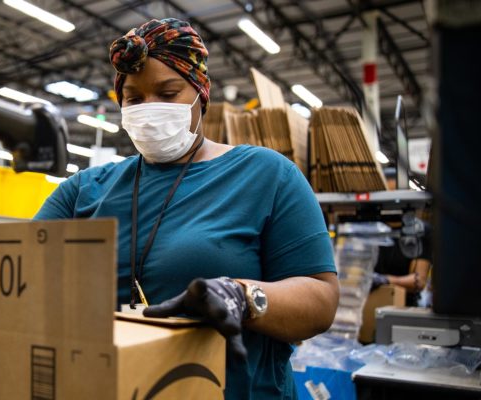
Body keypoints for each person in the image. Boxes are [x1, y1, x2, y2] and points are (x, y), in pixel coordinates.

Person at [34, 18, 339, 399]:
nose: (150, 109)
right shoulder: (82, 191)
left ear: (200, 93)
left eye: (168, 92)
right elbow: (24, 270)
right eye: (135, 98)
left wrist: (242, 297)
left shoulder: (266, 175)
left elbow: (321, 300)